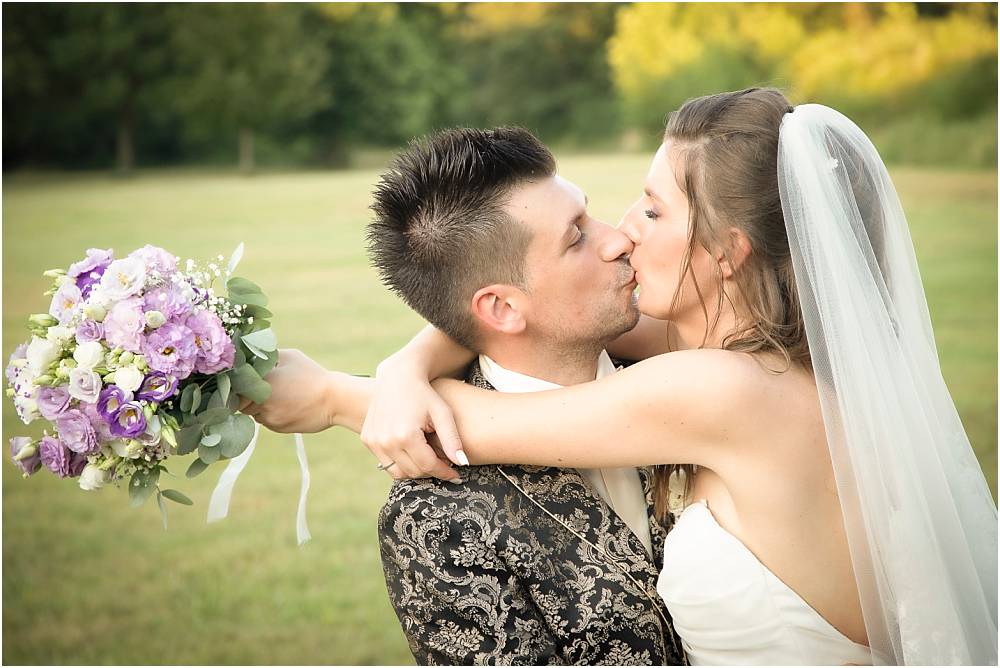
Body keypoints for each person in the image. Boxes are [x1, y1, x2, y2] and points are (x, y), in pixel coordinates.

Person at [252, 88, 998, 665]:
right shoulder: (740, 352)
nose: (622, 234)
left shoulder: (721, 388)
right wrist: (406, 362)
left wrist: (333, 395)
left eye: (650, 209)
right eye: (596, 225)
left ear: (727, 251)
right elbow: (497, 313)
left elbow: (486, 413)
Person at [248, 126, 685, 665]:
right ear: (501, 309)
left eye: (587, 212)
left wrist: (399, 368)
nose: (619, 238)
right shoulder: (435, 518)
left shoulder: (680, 355)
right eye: (576, 237)